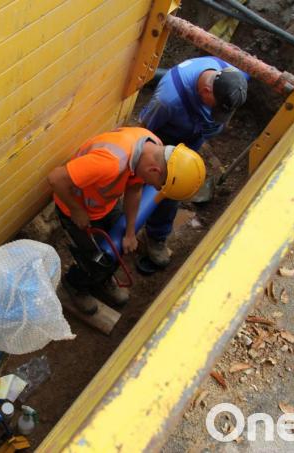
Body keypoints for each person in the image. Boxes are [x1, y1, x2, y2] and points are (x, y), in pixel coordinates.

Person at [47, 127, 205, 314]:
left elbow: (134, 189)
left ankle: (102, 279)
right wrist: (76, 210)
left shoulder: (152, 146)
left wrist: (130, 232)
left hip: (105, 203)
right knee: (95, 259)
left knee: (117, 248)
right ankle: (74, 284)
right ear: (154, 170)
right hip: (77, 211)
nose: (155, 187)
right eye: (158, 185)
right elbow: (55, 178)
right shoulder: (109, 162)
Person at [136, 56, 248, 270]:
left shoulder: (231, 77)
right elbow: (143, 131)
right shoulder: (168, 99)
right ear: (206, 92)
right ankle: (138, 229)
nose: (218, 116)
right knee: (160, 185)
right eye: (215, 109)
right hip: (164, 139)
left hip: (193, 137)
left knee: (177, 187)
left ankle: (155, 233)